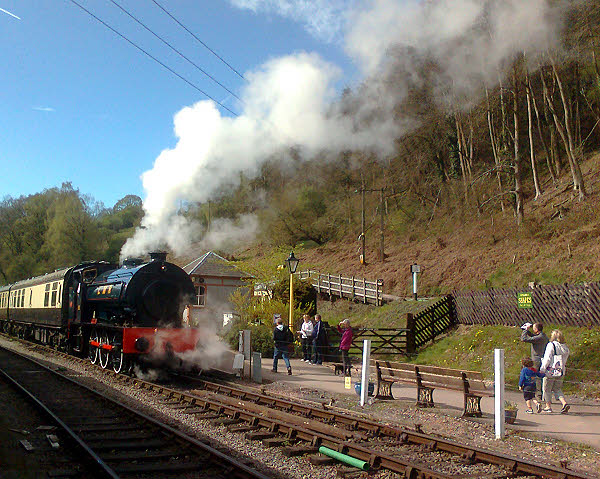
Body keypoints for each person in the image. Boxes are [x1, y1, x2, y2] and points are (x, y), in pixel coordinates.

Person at [539, 329, 570, 414]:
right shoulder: (565, 347)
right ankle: (564, 403)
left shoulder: (551, 345)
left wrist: (542, 369)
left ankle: (548, 406)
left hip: (551, 371)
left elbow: (547, 358)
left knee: (546, 389)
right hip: (561, 370)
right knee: (557, 388)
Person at [520, 322, 549, 398]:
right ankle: (541, 393)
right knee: (540, 376)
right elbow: (533, 336)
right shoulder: (543, 336)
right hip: (542, 358)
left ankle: (538, 394)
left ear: (536, 329)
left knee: (537, 377)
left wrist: (525, 330)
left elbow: (524, 339)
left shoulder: (539, 338)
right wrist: (527, 330)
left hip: (537, 359)